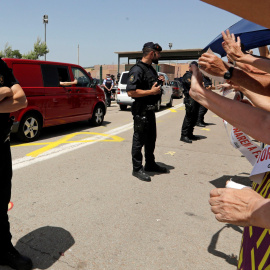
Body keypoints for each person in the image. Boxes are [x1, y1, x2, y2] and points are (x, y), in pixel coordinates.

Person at [0, 58, 32, 269]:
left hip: (1, 146)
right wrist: (4, 92)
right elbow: (13, 95)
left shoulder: (0, 65)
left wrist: (8, 93)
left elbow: (22, 100)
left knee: (1, 201)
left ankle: (3, 250)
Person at [126, 42, 167, 182]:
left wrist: (159, 82)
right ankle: (137, 169)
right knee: (139, 141)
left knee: (151, 140)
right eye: (158, 54)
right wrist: (151, 91)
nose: (159, 56)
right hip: (141, 111)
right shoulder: (137, 70)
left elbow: (152, 87)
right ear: (151, 53)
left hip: (150, 111)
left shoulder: (151, 69)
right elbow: (131, 92)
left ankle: (150, 164)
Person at [180, 61, 201, 143]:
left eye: (196, 67)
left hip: (195, 99)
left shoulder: (195, 76)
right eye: (193, 67)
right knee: (188, 118)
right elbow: (193, 86)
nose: (194, 68)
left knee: (194, 117)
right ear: (189, 67)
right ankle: (184, 135)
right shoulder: (187, 76)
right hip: (189, 99)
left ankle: (190, 134)